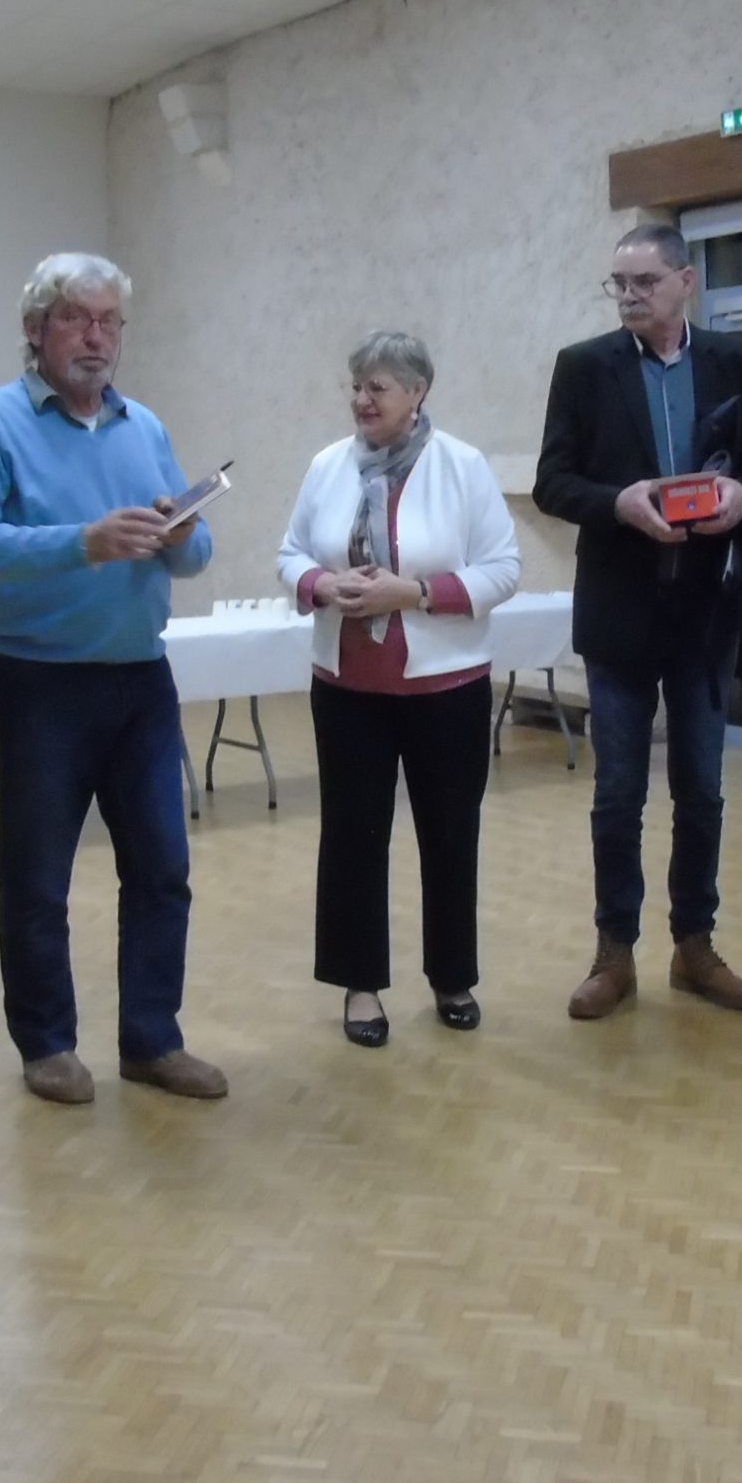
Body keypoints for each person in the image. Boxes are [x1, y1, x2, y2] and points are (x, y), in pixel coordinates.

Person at [0, 253, 227, 1105]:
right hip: (36, 680)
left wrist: (183, 534)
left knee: (162, 868)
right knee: (37, 876)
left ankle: (152, 1040)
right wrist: (83, 542)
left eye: (109, 322)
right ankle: (47, 1045)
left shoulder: (144, 427)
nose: (96, 337)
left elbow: (195, 555)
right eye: (76, 318)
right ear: (36, 329)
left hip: (140, 677)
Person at [535, 223, 742, 1021]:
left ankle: (694, 946)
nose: (630, 296)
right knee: (617, 795)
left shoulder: (737, 362)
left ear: (686, 282)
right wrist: (619, 503)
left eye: (644, 282)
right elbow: (553, 481)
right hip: (621, 613)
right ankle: (614, 952)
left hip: (706, 614)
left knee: (701, 791)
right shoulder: (584, 367)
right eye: (619, 284)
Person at [278, 332, 522, 1046]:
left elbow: (503, 569)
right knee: (352, 837)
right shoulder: (328, 465)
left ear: (417, 393)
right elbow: (290, 553)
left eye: (378, 387)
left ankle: (452, 977)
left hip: (447, 687)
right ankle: (360, 986)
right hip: (347, 687)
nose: (362, 399)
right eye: (356, 386)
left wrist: (412, 593)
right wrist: (321, 583)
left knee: (450, 835)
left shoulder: (462, 466)